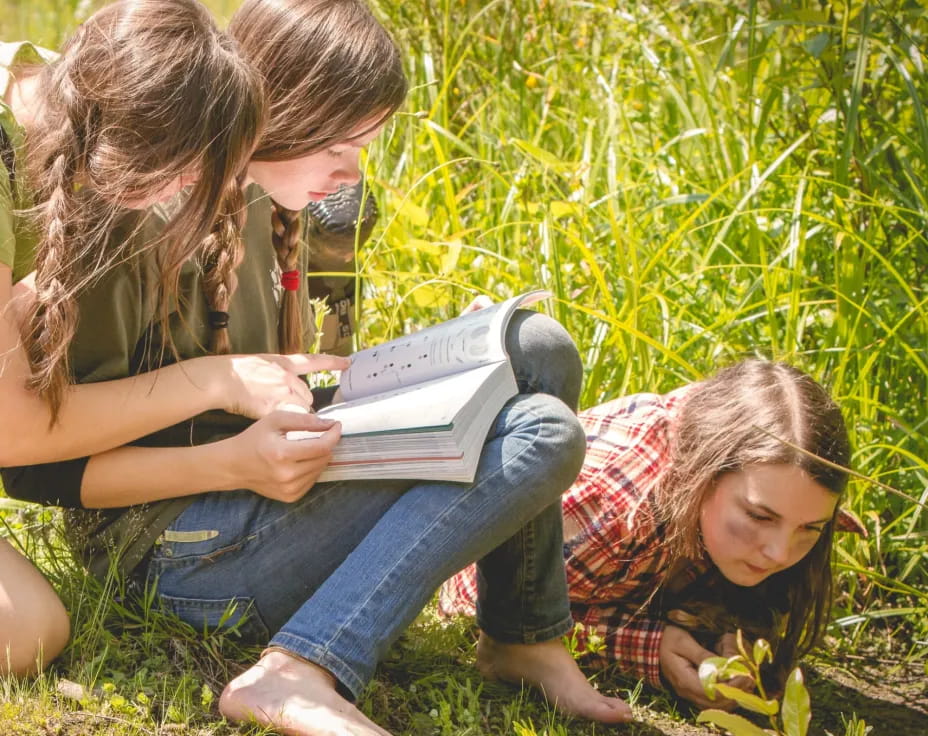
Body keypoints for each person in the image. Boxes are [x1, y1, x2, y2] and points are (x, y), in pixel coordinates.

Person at [3, 0, 633, 732]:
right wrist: (235, 463)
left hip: (264, 477)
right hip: (177, 540)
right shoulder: (141, 200)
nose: (352, 170)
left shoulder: (324, 212)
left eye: (367, 145)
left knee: (534, 348)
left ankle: (523, 638)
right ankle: (299, 670)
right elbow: (37, 468)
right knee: (539, 435)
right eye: (339, 143)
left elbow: (303, 379)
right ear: (273, 114)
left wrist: (448, 368)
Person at [0, 0, 341, 676]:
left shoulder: (81, 143)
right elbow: (16, 436)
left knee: (32, 629)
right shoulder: (23, 163)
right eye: (190, 167)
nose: (192, 190)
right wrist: (217, 383)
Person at [441, 359, 858, 710]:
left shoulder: (776, 487)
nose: (780, 552)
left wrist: (729, 631)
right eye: (759, 517)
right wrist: (644, 646)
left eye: (810, 529)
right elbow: (468, 596)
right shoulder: (612, 515)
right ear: (703, 476)